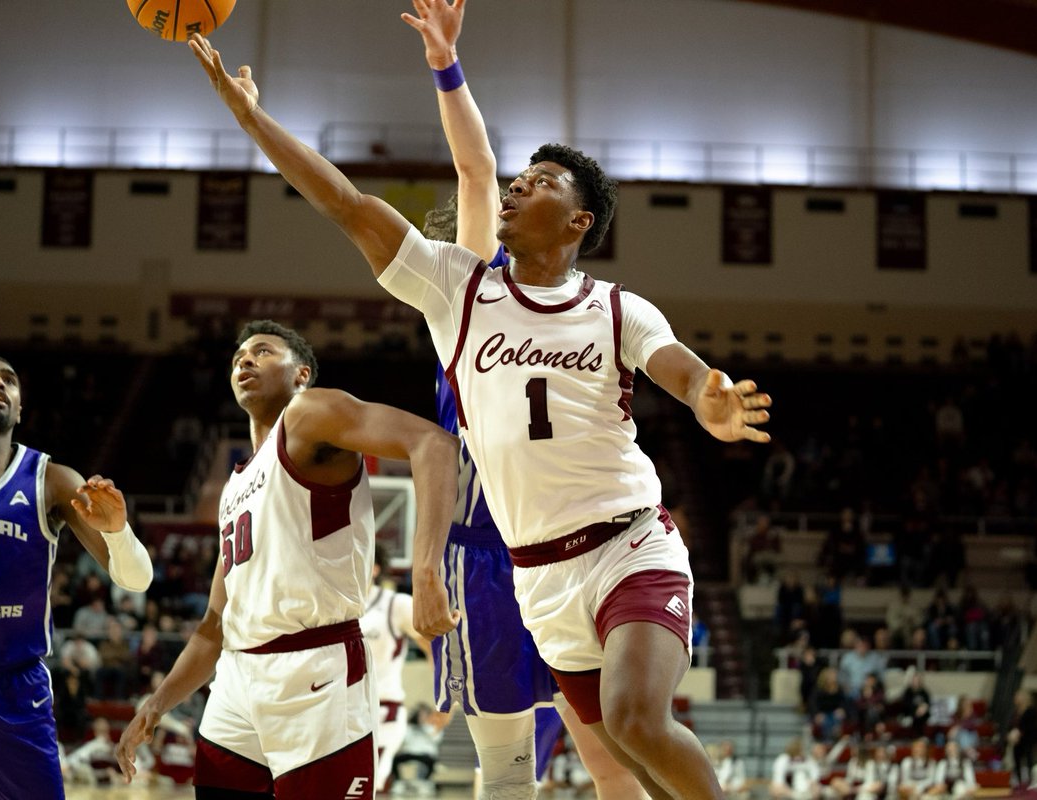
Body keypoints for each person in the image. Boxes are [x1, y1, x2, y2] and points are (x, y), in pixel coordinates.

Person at [188, 21, 772, 796]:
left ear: (579, 222)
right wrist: (251, 118)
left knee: (633, 725)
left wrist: (710, 400)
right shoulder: (459, 291)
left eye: (542, 180)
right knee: (616, 761)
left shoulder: (616, 307)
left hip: (628, 542)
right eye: (518, 176)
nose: (517, 185)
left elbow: (684, 371)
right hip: (535, 575)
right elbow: (346, 203)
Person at [400, 3, 650, 798]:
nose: (502, 200)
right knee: (508, 770)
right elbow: (476, 170)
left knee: (611, 753)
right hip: (483, 551)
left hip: (571, 542)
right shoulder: (467, 294)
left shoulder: (579, 307)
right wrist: (445, 66)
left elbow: (479, 172)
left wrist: (448, 62)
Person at [113, 321, 459, 798]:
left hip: (315, 670)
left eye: (262, 351)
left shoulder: (308, 413)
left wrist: (425, 571)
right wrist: (156, 705)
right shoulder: (234, 487)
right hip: (236, 683)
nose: (245, 359)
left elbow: (433, 444)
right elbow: (213, 625)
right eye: (238, 356)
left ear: (301, 374)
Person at [0, 355, 153, 800]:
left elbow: (136, 580)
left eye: (9, 380)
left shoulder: (52, 481)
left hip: (17, 686)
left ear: (20, 410)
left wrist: (117, 531)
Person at [361, 545, 430, 795]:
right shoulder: (333, 605)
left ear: (375, 568)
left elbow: (434, 646)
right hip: (337, 709)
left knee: (367, 786)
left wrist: (441, 700)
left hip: (382, 710)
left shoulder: (396, 604)